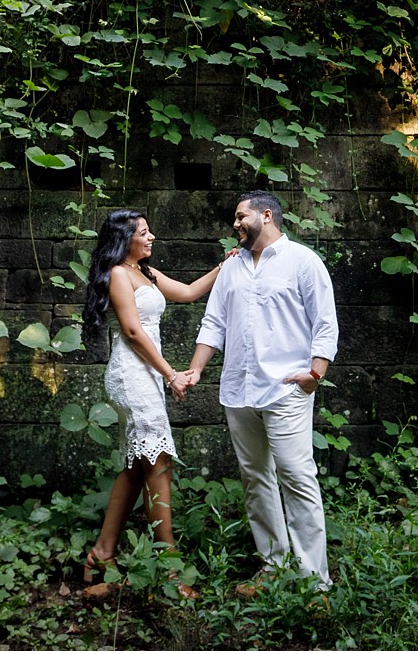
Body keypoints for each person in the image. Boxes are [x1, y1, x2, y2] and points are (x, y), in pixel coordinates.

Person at [182, 189, 339, 591]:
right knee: (256, 479)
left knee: (297, 476)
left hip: (286, 389)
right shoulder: (231, 268)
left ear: (266, 215)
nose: (234, 224)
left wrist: (315, 374)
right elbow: (213, 322)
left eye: (240, 217)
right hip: (238, 390)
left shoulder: (303, 261)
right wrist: (197, 369)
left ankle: (314, 582)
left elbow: (325, 322)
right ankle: (274, 568)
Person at [82, 208, 223, 587]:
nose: (151, 237)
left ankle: (102, 552)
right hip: (132, 376)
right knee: (159, 464)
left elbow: (191, 292)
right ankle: (170, 567)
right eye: (143, 232)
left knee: (138, 465)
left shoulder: (146, 273)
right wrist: (171, 374)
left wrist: (227, 265)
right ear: (124, 239)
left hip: (148, 374)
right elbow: (131, 330)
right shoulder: (117, 275)